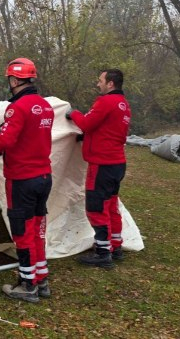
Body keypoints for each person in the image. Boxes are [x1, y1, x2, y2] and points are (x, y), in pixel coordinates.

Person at [0, 58, 54, 303]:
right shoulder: (45, 106)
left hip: (22, 178)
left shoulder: (17, 108)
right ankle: (41, 279)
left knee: (22, 231)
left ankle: (27, 285)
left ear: (13, 79)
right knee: (37, 230)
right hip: (44, 176)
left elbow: (6, 140)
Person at [66, 69, 131, 269]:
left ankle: (103, 252)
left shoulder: (105, 102)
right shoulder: (124, 105)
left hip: (102, 164)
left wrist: (73, 114)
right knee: (111, 205)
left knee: (96, 207)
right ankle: (115, 245)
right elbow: (107, 130)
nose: (98, 84)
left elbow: (86, 123)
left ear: (110, 83)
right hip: (117, 162)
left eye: (100, 80)